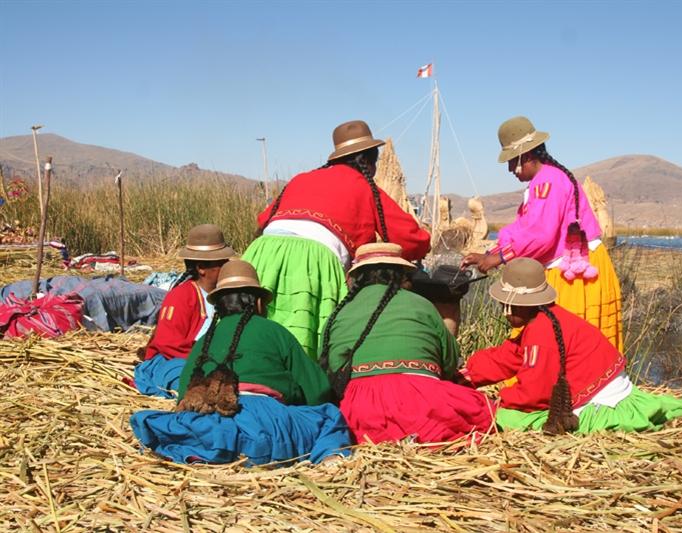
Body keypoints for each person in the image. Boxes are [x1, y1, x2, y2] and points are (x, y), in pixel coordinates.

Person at [130, 260, 352, 465]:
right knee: (329, 417)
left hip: (212, 426)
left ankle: (209, 451)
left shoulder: (204, 342)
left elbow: (184, 398)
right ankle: (329, 458)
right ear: (257, 302)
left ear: (218, 306)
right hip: (268, 423)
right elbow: (317, 390)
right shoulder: (275, 332)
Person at [243, 120, 430, 360]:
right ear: (368, 162)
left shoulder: (301, 178)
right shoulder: (365, 187)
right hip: (314, 260)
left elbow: (263, 220)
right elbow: (411, 239)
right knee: (303, 337)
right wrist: (423, 244)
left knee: (254, 324)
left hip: (262, 254)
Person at [463, 258, 682, 434]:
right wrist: (468, 374)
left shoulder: (542, 334)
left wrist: (497, 402)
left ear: (515, 306)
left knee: (502, 419)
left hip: (598, 405)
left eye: (504, 303)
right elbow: (510, 355)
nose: (503, 310)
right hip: (613, 388)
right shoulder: (545, 317)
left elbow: (534, 394)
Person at [462, 117, 623, 351]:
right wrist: (489, 253)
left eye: (511, 162)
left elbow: (541, 235)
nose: (509, 170)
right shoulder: (542, 182)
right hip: (567, 267)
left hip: (577, 271)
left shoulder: (549, 182)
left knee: (568, 339)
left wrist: (498, 258)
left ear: (524, 157)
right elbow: (523, 228)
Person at [319, 243, 494, 445]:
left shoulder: (339, 313)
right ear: (402, 275)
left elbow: (329, 366)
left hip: (361, 409)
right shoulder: (421, 304)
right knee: (482, 410)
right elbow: (449, 361)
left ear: (357, 277)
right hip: (421, 399)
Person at [134, 224, 234, 398]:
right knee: (185, 378)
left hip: (212, 361)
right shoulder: (181, 296)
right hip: (173, 360)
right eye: (221, 263)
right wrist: (204, 361)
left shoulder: (226, 296)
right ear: (201, 268)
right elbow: (168, 343)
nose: (227, 268)